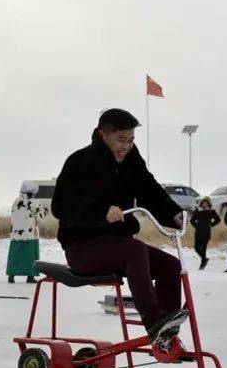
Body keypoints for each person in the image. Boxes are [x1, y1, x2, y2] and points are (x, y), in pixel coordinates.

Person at [51, 108, 186, 349]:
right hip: (82, 247)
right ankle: (155, 322)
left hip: (117, 245)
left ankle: (167, 334)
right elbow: (61, 206)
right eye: (121, 140)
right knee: (134, 250)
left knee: (170, 266)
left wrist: (173, 213)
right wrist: (101, 213)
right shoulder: (80, 161)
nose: (126, 146)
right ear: (103, 135)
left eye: (131, 140)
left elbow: (149, 189)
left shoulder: (131, 161)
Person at [6, 182, 48, 283]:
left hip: (16, 234)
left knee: (15, 255)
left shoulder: (16, 202)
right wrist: (45, 211)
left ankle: (11, 275)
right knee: (30, 256)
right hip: (30, 234)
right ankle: (30, 276)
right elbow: (42, 218)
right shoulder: (34, 202)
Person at [190, 196, 220, 270]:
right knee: (196, 248)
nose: (205, 204)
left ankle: (203, 264)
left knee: (203, 248)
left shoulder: (211, 211)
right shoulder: (198, 211)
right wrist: (196, 226)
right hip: (198, 232)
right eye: (203, 203)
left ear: (208, 204)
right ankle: (205, 259)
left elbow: (218, 219)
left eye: (206, 203)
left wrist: (212, 224)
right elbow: (192, 220)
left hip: (206, 232)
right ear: (201, 203)